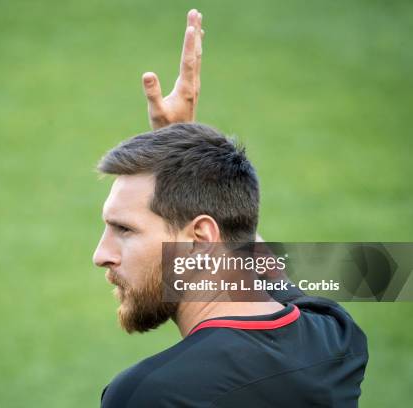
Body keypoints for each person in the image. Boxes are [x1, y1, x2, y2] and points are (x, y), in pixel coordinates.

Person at [93, 9, 368, 407]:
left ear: (202, 237)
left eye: (125, 230)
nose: (101, 255)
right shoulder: (337, 341)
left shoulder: (151, 394)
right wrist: (180, 153)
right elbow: (268, 270)